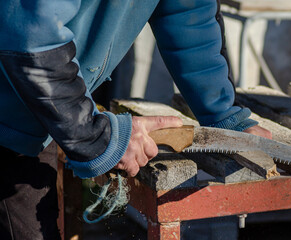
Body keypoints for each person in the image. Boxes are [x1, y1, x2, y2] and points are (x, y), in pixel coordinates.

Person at [0, 0, 272, 239]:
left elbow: (189, 14)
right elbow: (31, 36)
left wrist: (223, 115)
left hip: (36, 106)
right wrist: (94, 136)